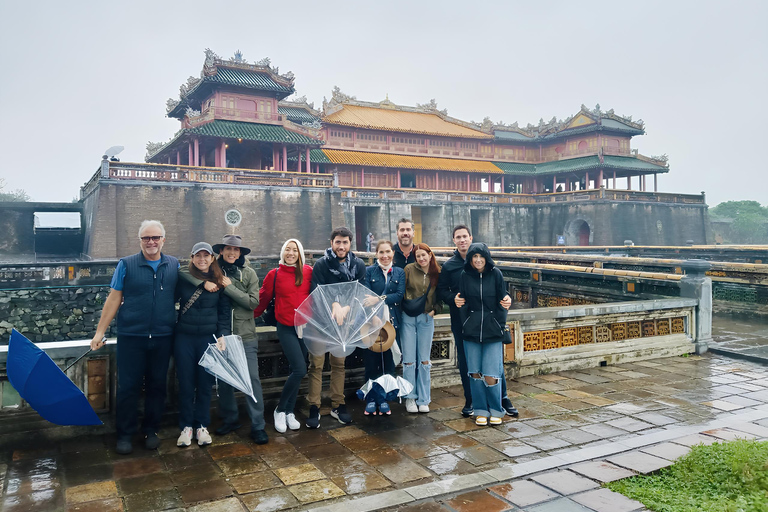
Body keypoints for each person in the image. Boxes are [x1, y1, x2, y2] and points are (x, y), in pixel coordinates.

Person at [90, 220, 179, 455]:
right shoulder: (126, 265)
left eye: (155, 238)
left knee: (157, 386)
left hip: (162, 336)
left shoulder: (173, 265)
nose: (151, 242)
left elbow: (189, 288)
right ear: (139, 240)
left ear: (163, 240)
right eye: (146, 238)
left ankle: (151, 430)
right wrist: (100, 332)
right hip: (132, 336)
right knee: (128, 387)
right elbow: (113, 299)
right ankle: (125, 433)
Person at [182, 234, 267, 445]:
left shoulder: (248, 273)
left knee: (251, 380)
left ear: (240, 253)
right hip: (222, 335)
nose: (231, 253)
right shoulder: (213, 272)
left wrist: (229, 287)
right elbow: (184, 271)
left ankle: (258, 424)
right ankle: (231, 419)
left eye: (235, 250)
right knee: (225, 381)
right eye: (228, 249)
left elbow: (253, 303)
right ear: (221, 251)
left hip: (244, 334)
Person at [438, 225, 519, 418]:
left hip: (489, 321)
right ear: (454, 241)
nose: (462, 240)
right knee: (468, 362)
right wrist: (452, 299)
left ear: (471, 238)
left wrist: (507, 298)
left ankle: (503, 398)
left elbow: (498, 290)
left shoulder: (490, 268)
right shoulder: (451, 266)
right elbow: (441, 290)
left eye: (465, 236)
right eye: (458, 237)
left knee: (494, 362)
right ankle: (471, 399)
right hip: (463, 321)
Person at [307, 227, 366, 427]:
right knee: (316, 365)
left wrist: (347, 307)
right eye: (338, 242)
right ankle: (314, 406)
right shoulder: (322, 264)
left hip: (343, 323)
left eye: (345, 242)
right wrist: (334, 305)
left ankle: (337, 403)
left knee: (339, 365)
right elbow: (316, 291)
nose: (341, 246)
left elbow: (360, 292)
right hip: (320, 322)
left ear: (350, 244)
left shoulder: (358, 264)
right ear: (332, 243)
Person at [174, 242, 231, 447]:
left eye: (206, 256)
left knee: (205, 384)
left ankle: (202, 426)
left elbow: (224, 312)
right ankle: (186, 426)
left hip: (208, 338)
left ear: (212, 258)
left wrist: (222, 335)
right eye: (198, 256)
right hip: (184, 338)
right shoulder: (183, 278)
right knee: (186, 384)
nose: (202, 259)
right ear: (192, 257)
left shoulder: (219, 280)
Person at [254, 238, 312, 434]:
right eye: (287, 249)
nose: (291, 253)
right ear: (283, 252)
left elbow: (318, 295)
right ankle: (279, 410)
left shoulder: (308, 272)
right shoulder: (274, 274)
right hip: (286, 326)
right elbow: (263, 298)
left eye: (295, 250)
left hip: (304, 327)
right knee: (299, 368)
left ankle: (289, 411)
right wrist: (249, 316)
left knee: (299, 370)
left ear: (300, 253)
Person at [455, 243, 511, 426]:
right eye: (474, 257)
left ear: (486, 258)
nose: (478, 260)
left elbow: (503, 301)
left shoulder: (496, 274)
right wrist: (465, 322)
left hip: (492, 331)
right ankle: (480, 410)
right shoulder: (465, 275)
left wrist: (498, 323)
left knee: (492, 374)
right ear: (470, 259)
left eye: (481, 256)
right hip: (470, 331)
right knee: (475, 373)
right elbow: (461, 301)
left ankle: (496, 409)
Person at [362, 239, 405, 415]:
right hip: (373, 323)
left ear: (393, 253)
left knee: (388, 364)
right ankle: (371, 398)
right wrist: (374, 317)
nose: (385, 256)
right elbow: (366, 297)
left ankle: (385, 399)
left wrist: (380, 299)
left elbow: (399, 295)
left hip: (392, 325)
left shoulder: (399, 272)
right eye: (381, 252)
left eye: (388, 252)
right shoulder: (369, 271)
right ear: (376, 254)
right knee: (372, 364)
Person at [401, 243, 441, 413]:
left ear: (430, 255)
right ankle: (410, 397)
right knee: (409, 360)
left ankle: (424, 398)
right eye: (418, 256)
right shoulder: (409, 269)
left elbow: (442, 295)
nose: (422, 258)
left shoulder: (437, 273)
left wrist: (435, 310)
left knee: (424, 360)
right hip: (408, 317)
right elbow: (400, 291)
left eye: (424, 255)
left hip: (426, 318)